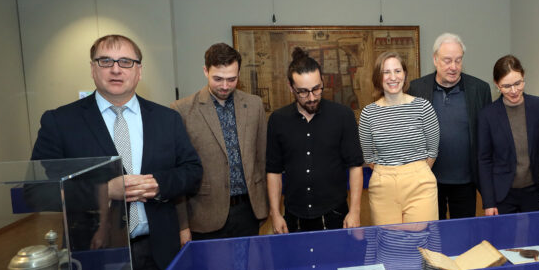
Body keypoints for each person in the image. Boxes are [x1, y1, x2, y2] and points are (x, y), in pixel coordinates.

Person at [31, 34, 202, 270]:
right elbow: (37, 192)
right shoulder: (61, 122)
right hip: (96, 253)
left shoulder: (167, 119)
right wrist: (104, 191)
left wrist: (158, 184)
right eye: (105, 61)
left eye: (125, 61)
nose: (116, 69)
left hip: (157, 252)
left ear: (139, 71)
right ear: (92, 68)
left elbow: (192, 171)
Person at [172, 43, 268, 241]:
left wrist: (265, 207)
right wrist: (183, 226)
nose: (225, 86)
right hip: (204, 216)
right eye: (218, 79)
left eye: (231, 79)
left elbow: (262, 159)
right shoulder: (182, 110)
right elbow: (178, 172)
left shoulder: (254, 105)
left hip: (249, 212)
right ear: (206, 71)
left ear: (239, 74)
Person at [266, 48, 364, 233]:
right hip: (293, 217)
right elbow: (273, 171)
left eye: (316, 89)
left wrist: (355, 210)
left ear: (322, 82)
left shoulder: (342, 116)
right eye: (303, 92)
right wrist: (275, 214)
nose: (311, 98)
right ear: (291, 88)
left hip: (335, 214)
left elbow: (355, 166)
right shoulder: (278, 120)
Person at [409, 33, 492, 220]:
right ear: (435, 59)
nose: (453, 67)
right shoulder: (416, 89)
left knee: (462, 237)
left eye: (458, 60)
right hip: (428, 181)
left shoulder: (480, 89)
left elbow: (486, 138)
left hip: (466, 182)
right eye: (447, 60)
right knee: (431, 235)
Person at [359, 51, 440, 226]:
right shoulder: (368, 114)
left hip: (420, 184)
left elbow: (432, 151)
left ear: (405, 74)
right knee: (389, 241)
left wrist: (414, 172)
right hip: (383, 186)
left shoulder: (423, 107)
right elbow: (369, 157)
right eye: (386, 72)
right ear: (378, 78)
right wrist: (388, 173)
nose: (392, 77)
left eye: (397, 71)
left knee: (421, 241)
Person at [476, 55, 539, 215]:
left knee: (537, 237)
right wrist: (488, 202)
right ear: (497, 84)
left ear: (523, 76)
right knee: (504, 239)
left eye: (518, 83)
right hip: (503, 193)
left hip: (535, 190)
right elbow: (484, 160)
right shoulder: (487, 115)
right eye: (506, 86)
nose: (513, 91)